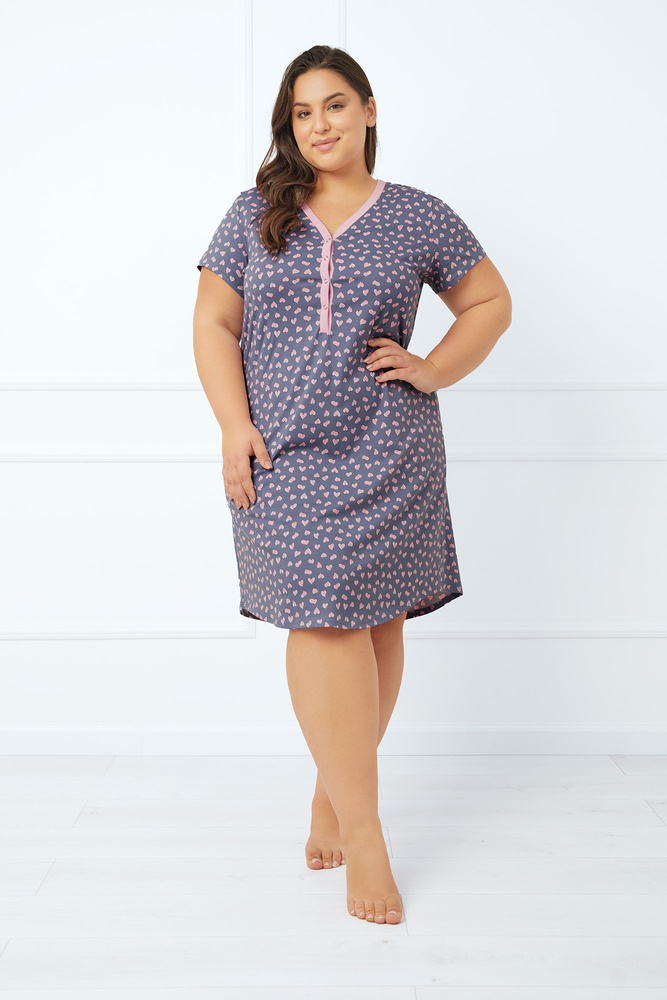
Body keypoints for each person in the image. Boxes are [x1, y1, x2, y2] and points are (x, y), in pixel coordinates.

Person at [192, 44, 512, 925]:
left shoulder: (417, 214)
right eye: (301, 113)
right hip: (282, 452)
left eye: (334, 105)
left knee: (376, 626)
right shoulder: (255, 213)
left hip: (389, 448)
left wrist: (432, 367)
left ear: (368, 110)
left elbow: (489, 302)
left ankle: (334, 793)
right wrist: (233, 425)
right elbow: (213, 323)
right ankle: (366, 834)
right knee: (323, 619)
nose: (319, 125)